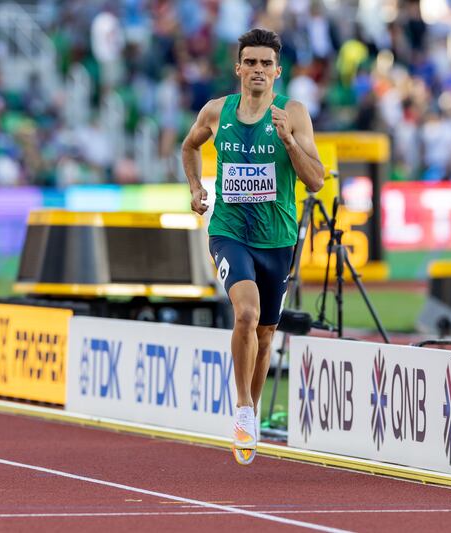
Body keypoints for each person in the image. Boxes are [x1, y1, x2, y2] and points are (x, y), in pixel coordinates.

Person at [181, 28, 325, 465]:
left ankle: (253, 409)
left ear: (277, 72)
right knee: (246, 313)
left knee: (266, 335)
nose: (258, 70)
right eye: (251, 62)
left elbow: (316, 180)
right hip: (229, 231)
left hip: (277, 238)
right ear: (238, 68)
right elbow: (190, 146)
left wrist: (288, 141)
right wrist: (194, 187)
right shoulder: (215, 111)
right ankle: (243, 407)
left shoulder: (293, 113)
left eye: (267, 64)